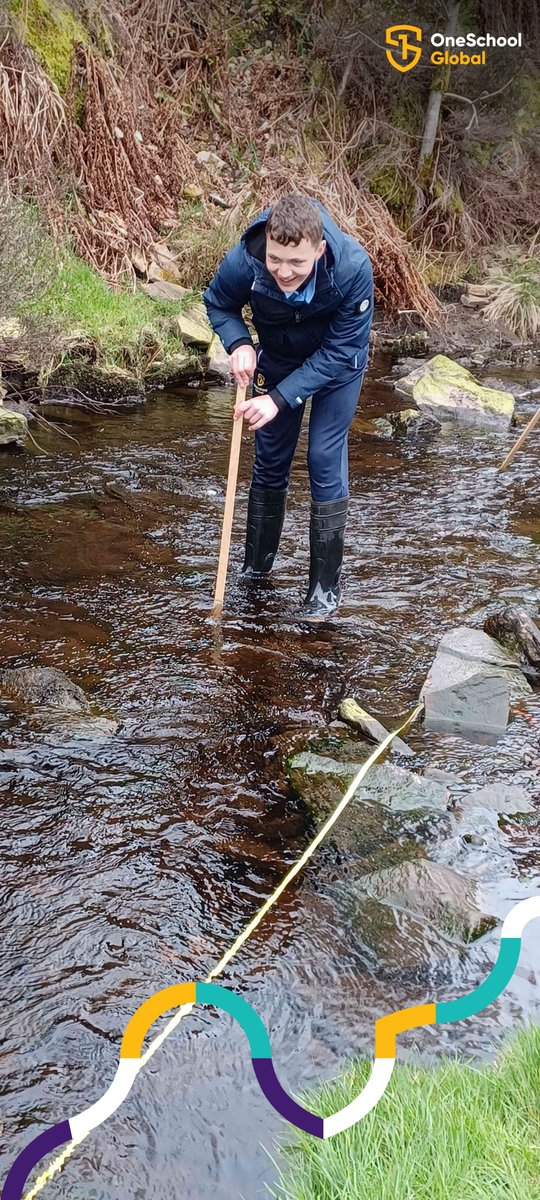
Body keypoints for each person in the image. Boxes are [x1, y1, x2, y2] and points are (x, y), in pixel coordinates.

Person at [203, 193, 374, 619]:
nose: (284, 272)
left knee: (322, 456)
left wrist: (279, 399)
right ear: (267, 244)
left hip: (338, 365)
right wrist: (239, 343)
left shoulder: (353, 268)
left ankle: (323, 593)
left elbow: (339, 350)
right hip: (278, 357)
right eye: (276, 260)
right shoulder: (246, 260)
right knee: (271, 459)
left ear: (318, 251)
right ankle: (255, 573)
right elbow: (219, 302)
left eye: (297, 264)